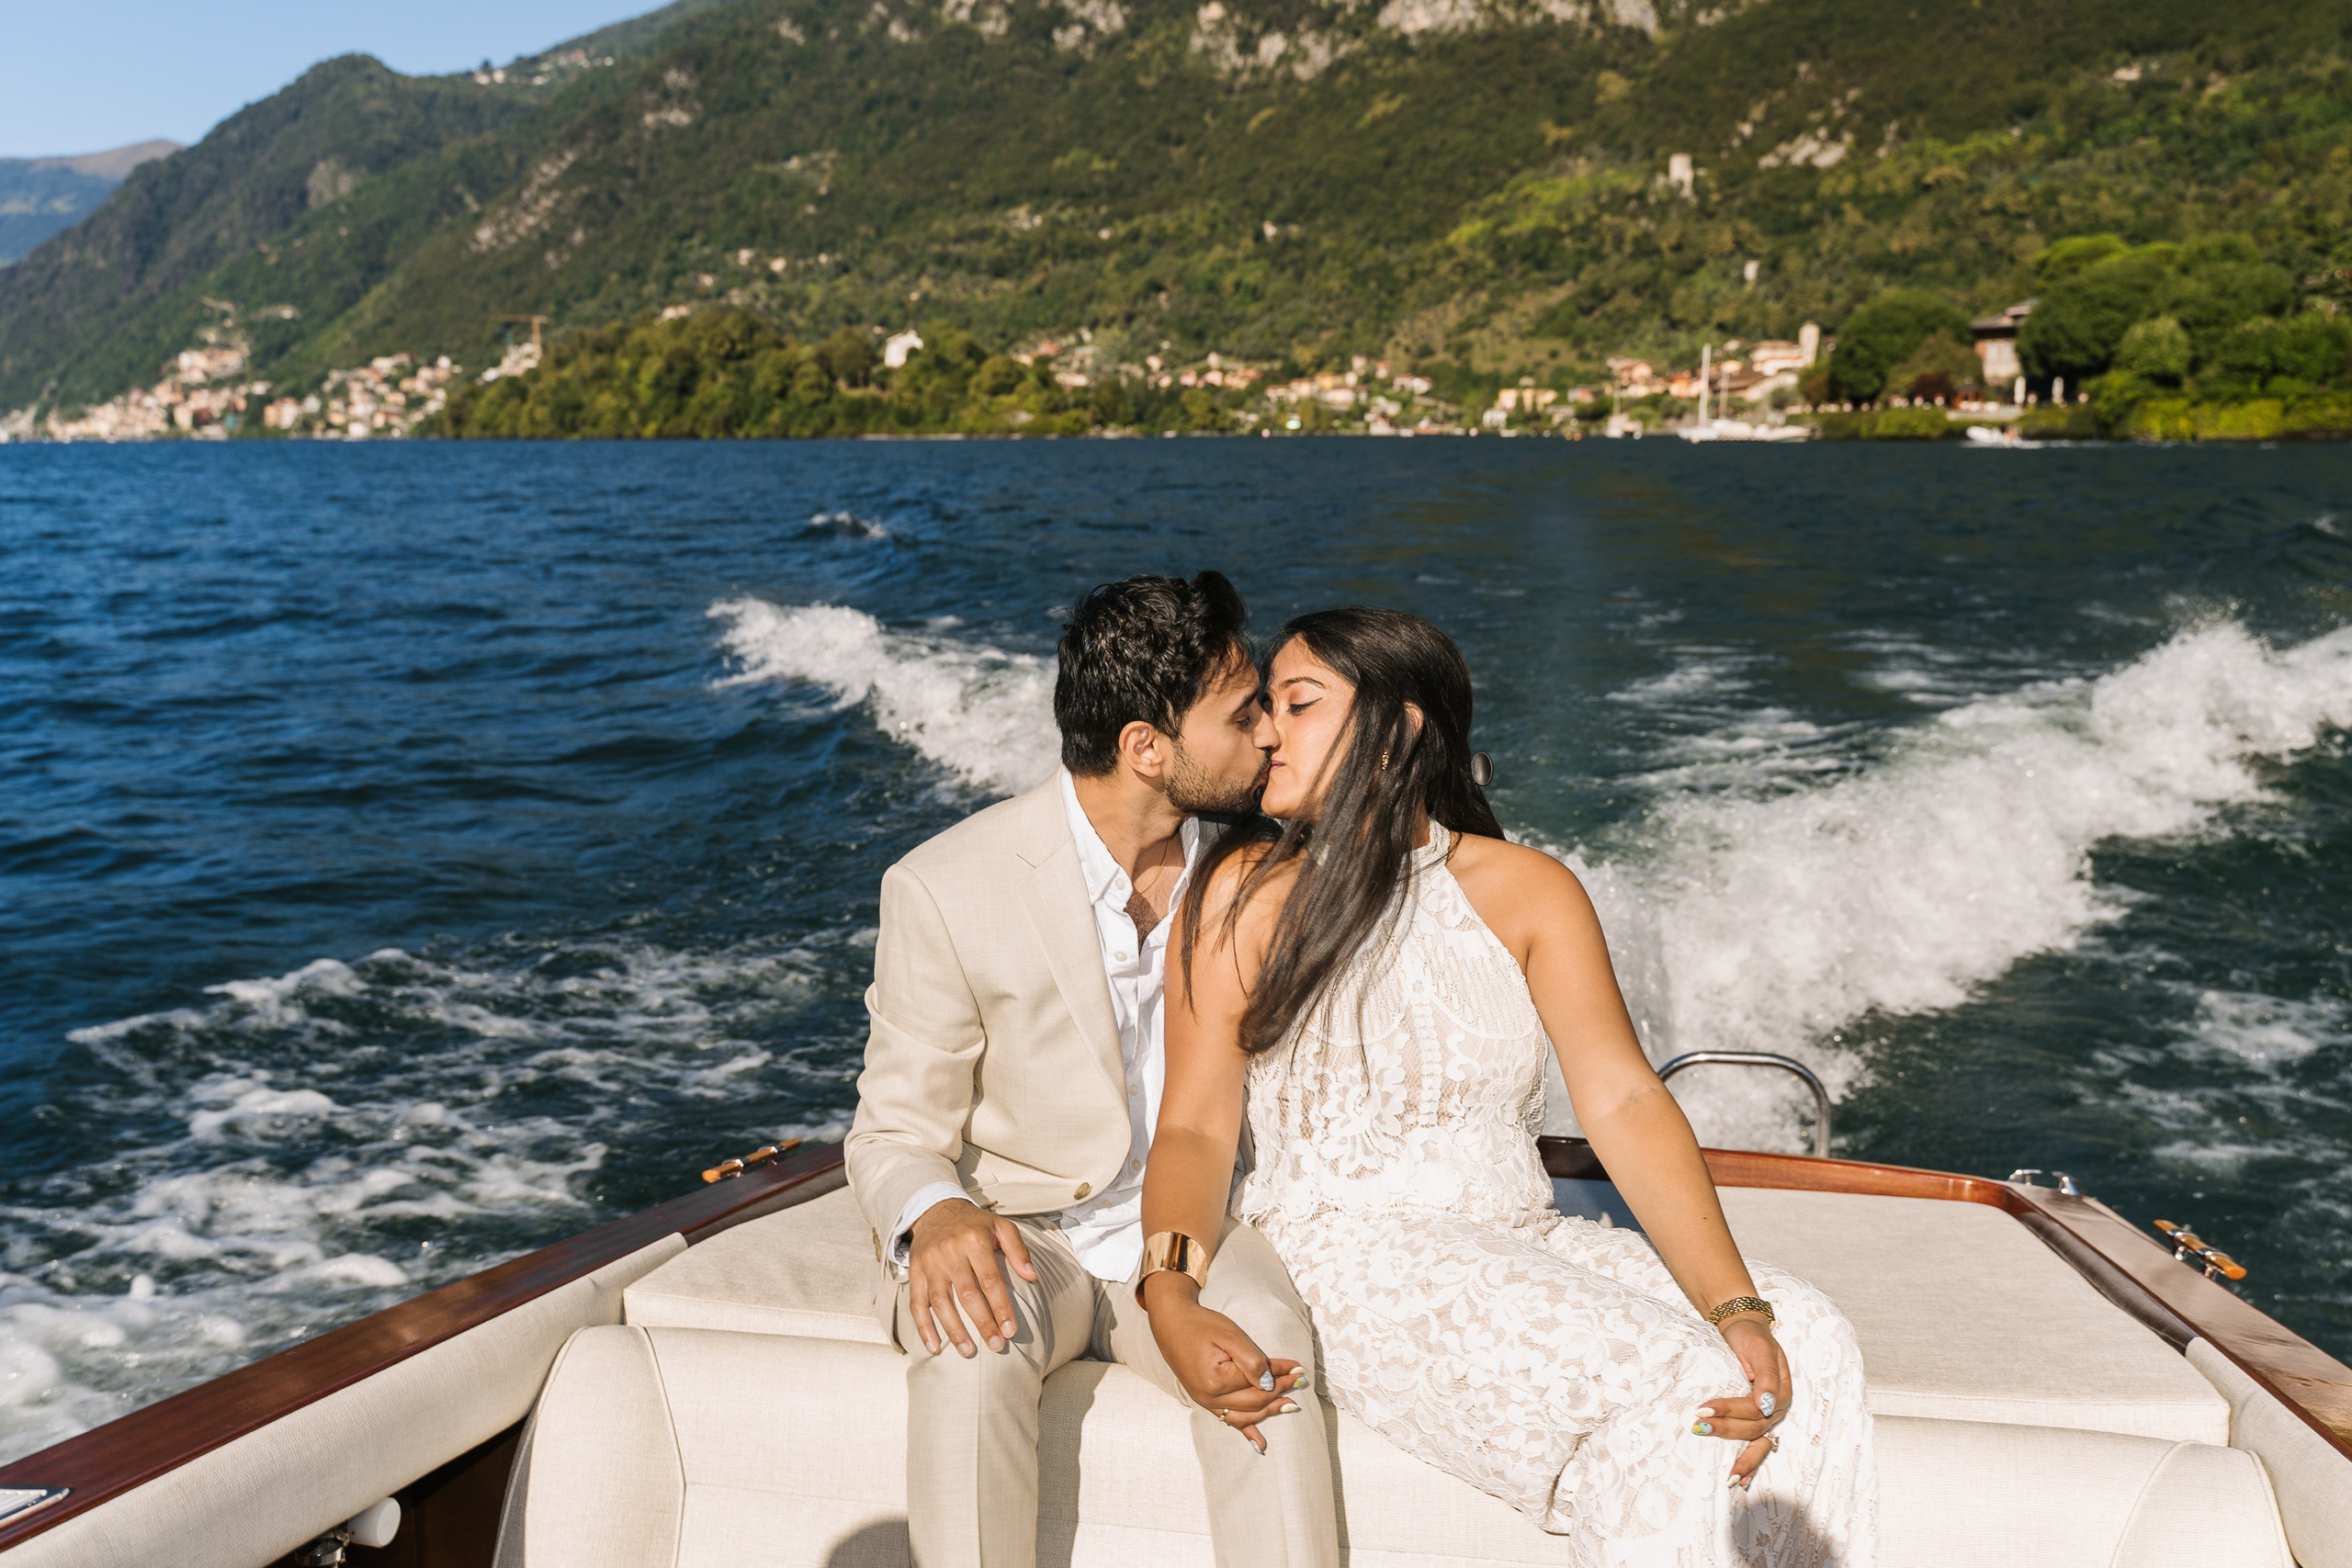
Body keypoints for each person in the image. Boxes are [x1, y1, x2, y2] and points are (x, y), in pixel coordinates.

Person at [1138, 606, 1876, 1567]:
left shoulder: (1529, 888)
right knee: (1686, 1383)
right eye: (1264, 707)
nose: (1266, 731)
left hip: (1512, 1231)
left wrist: (1737, 1306)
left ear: (1397, 726)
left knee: (1812, 1338)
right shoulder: (1239, 892)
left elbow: (1623, 1102)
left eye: (1298, 703)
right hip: (1344, 1253)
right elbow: (1194, 1126)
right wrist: (1172, 1292)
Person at [844, 572, 1340, 1568]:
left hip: (1200, 1221)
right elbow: (892, 1129)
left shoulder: (1270, 860)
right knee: (967, 1350)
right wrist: (935, 1214)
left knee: (1271, 1360)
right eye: (1242, 714)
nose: (1269, 736)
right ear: (1145, 749)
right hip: (1028, 1232)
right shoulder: (944, 886)